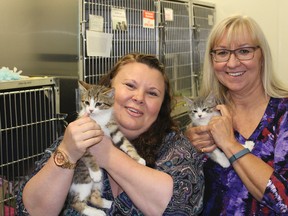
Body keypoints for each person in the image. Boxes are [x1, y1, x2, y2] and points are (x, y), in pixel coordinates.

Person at [16, 53, 204, 215]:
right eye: (130, 85)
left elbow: (180, 208)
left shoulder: (176, 148)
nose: (138, 98)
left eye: (152, 93)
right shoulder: (78, 136)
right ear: (107, 90)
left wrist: (107, 155)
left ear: (162, 105)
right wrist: (67, 152)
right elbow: (31, 210)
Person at [185, 14, 288, 215]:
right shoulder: (207, 113)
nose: (232, 63)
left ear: (262, 56)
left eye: (244, 51)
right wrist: (189, 150)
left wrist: (230, 144)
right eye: (222, 53)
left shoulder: (282, 113)